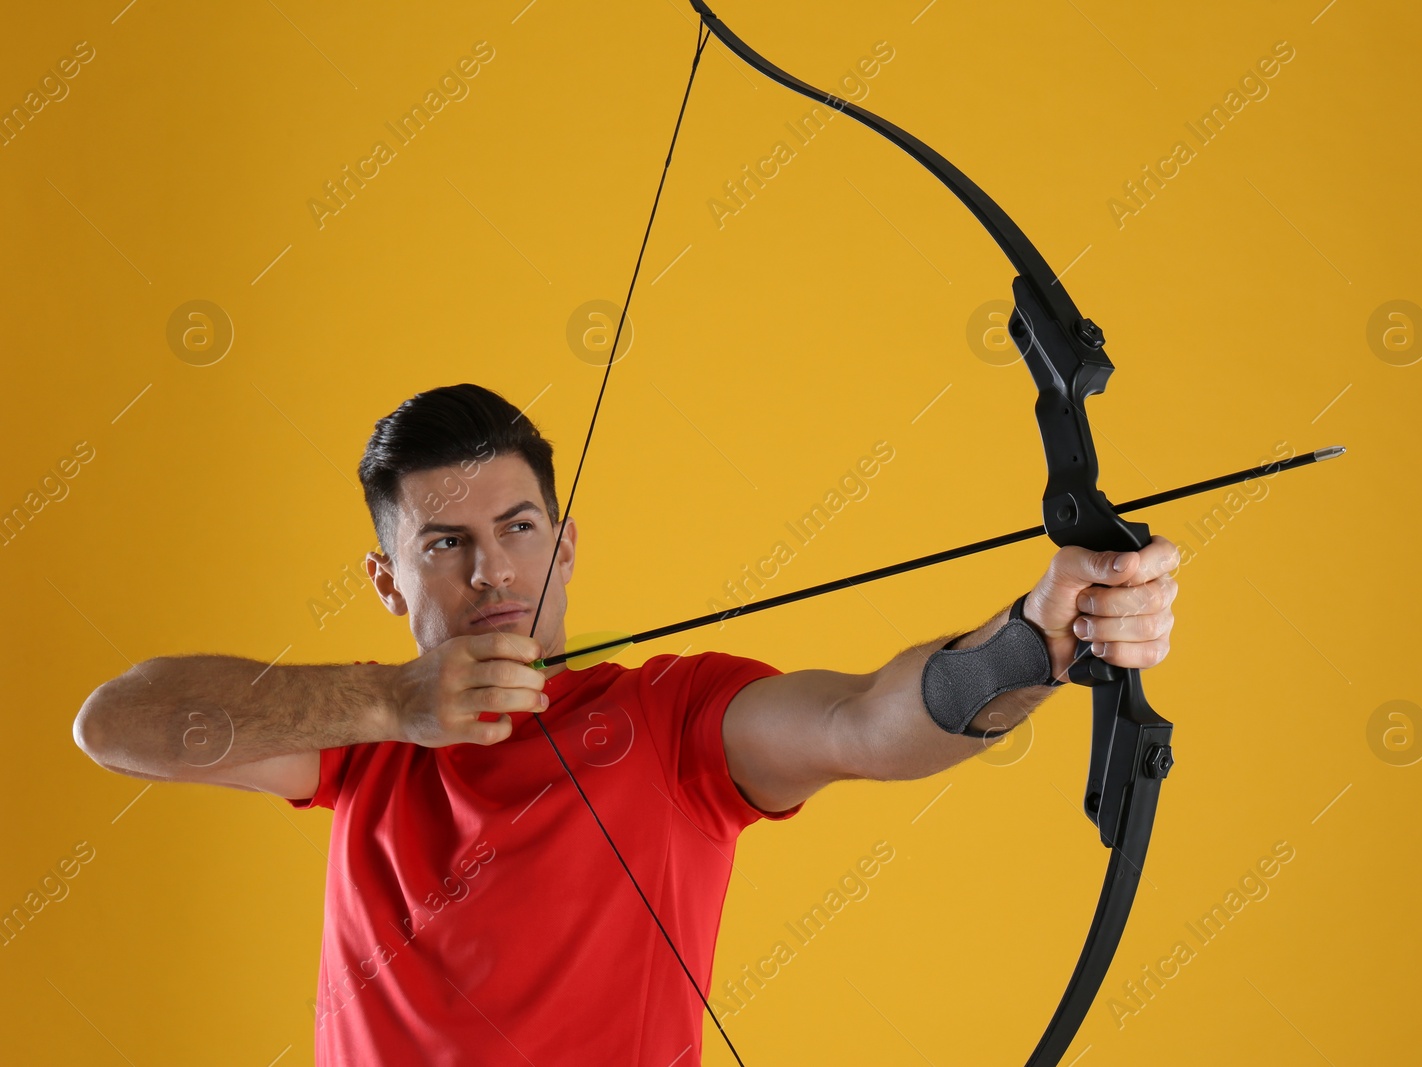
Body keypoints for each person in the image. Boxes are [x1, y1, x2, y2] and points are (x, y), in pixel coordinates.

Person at [72, 383, 1178, 1065]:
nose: (495, 568)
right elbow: (116, 720)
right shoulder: (359, 737)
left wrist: (1036, 639)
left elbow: (865, 721)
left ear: (565, 542)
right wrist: (390, 703)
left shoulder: (670, 719)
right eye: (445, 542)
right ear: (385, 576)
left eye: (518, 525)